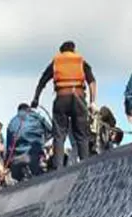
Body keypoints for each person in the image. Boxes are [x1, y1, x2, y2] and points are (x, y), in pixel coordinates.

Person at [31, 40, 97, 168]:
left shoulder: (56, 62)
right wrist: (92, 102)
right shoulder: (80, 61)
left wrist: (36, 99)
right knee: (82, 135)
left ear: (61, 51)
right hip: (78, 98)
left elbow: (42, 80)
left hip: (61, 98)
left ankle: (58, 168)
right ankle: (85, 165)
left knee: (59, 135)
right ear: (74, 50)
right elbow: (92, 82)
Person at [5, 102, 53, 181]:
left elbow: (9, 145)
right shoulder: (35, 116)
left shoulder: (12, 122)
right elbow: (51, 130)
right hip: (33, 155)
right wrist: (43, 141)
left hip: (16, 159)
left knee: (18, 180)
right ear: (28, 109)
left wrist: (7, 162)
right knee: (41, 178)